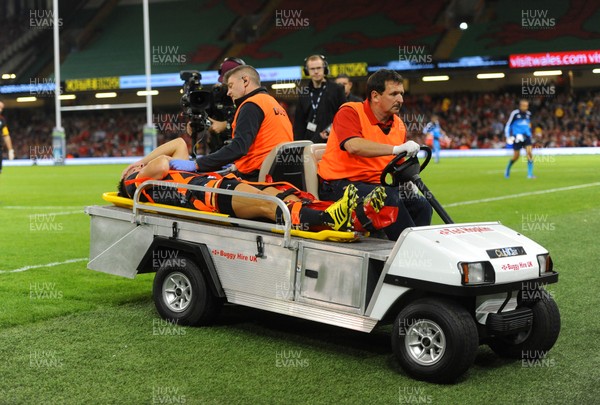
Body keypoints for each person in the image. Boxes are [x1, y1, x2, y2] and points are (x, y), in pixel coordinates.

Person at [119, 138, 390, 233]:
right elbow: (164, 163)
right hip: (210, 197)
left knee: (278, 193)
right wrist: (138, 168)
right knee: (268, 204)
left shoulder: (150, 174)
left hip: (217, 185)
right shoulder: (136, 184)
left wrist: (141, 159)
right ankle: (327, 217)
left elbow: (179, 143)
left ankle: (353, 214)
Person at [318, 69, 432, 241]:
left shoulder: (398, 124)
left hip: (374, 186)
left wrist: (408, 181)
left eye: (401, 94)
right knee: (389, 199)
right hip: (339, 186)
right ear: (375, 96)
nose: (400, 99)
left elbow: (396, 164)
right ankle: (407, 251)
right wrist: (395, 149)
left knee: (422, 205)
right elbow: (353, 145)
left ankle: (407, 249)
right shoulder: (350, 112)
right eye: (393, 94)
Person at [175, 65, 293, 181]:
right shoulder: (272, 102)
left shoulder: (251, 105)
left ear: (245, 81)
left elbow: (238, 148)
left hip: (258, 177)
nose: (228, 92)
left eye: (231, 86)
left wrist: (197, 164)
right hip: (278, 172)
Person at [293, 55, 346, 143]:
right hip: (310, 141)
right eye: (312, 69)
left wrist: (329, 130)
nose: (316, 71)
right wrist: (299, 146)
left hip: (333, 139)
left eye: (318, 68)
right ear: (307, 71)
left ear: (324, 69)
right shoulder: (304, 93)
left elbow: (343, 115)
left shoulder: (337, 89)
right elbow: (299, 123)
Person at [505, 99, 534, 179]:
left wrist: (530, 133)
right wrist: (508, 136)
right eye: (524, 105)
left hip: (526, 137)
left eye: (527, 106)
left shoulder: (528, 114)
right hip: (517, 138)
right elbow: (508, 125)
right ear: (520, 106)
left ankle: (530, 174)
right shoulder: (515, 113)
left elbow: (529, 124)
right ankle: (507, 169)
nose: (526, 107)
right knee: (516, 157)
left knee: (529, 154)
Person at [0, 101, 15, 172]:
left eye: (1, 108)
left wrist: (10, 150)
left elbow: (6, 135)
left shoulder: (2, 120)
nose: (0, 110)